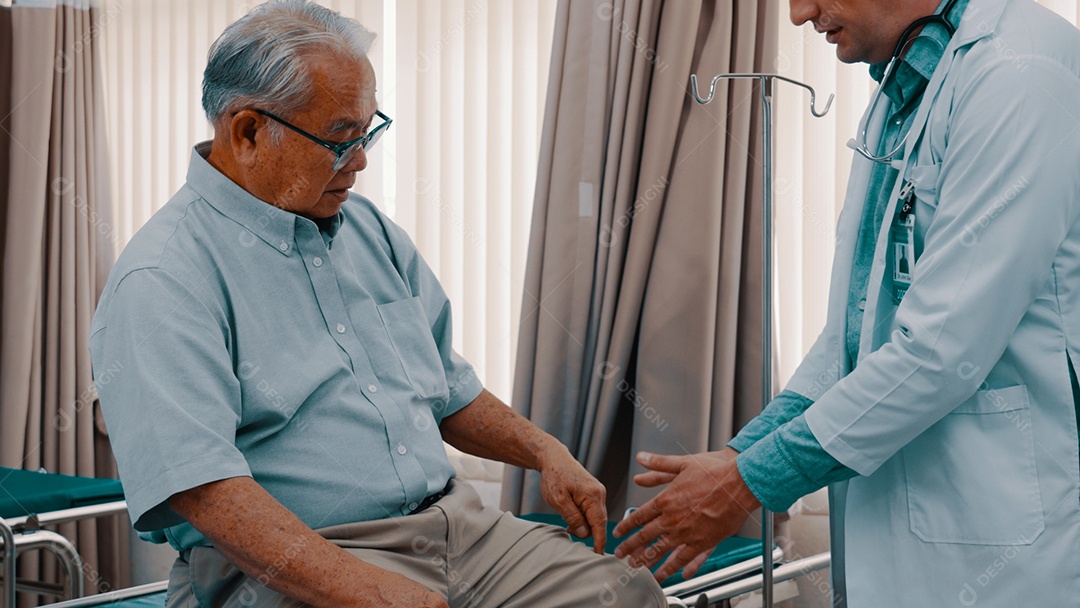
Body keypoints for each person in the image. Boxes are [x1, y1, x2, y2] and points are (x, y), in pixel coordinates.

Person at [89, 2, 667, 607]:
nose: (361, 160)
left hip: (455, 532)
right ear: (249, 133)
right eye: (340, 140)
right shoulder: (163, 278)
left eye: (368, 132)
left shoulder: (370, 231)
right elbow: (205, 491)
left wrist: (544, 451)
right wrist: (374, 593)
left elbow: (448, 388)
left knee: (626, 594)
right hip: (300, 558)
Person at [614, 0, 1080, 605]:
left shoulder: (1020, 71)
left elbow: (940, 349)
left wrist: (750, 481)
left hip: (998, 536)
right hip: (908, 524)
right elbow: (855, 332)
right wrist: (740, 458)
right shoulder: (907, 82)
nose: (799, 14)